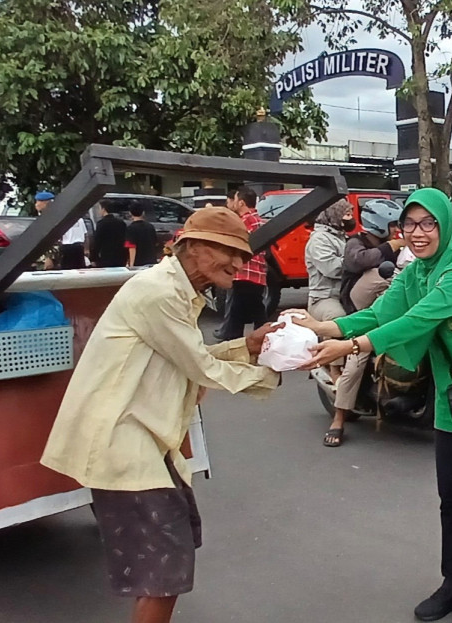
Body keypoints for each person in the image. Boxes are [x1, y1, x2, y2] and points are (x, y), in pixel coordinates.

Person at [293, 188, 452, 623]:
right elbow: (383, 312)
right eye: (410, 224)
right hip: (449, 398)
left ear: (445, 224)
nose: (418, 234)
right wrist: (324, 325)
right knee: (450, 500)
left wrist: (351, 345)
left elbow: (418, 320)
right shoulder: (415, 272)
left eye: (428, 223)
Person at [41, 207, 284, 623]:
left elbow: (186, 357)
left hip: (143, 442)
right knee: (165, 569)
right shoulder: (158, 292)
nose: (240, 264)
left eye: (242, 254)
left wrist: (249, 346)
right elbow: (200, 367)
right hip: (122, 442)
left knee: (168, 562)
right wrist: (276, 370)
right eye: (229, 251)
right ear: (192, 248)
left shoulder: (176, 291)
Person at [323, 198, 405, 447]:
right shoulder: (356, 242)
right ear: (378, 223)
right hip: (356, 303)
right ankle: (338, 419)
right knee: (357, 358)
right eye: (392, 224)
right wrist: (391, 246)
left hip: (384, 304)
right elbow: (357, 261)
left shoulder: (401, 245)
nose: (396, 229)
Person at [215, 188, 268, 341]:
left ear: (242, 202)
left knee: (236, 311)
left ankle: (233, 339)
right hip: (257, 272)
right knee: (256, 309)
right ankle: (264, 336)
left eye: (235, 200)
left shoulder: (243, 221)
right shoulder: (259, 220)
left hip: (243, 271)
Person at [305, 199, 353, 321]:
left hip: (345, 295)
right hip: (324, 298)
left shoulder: (341, 237)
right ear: (335, 215)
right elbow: (331, 268)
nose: (351, 219)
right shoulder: (319, 239)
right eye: (347, 215)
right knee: (338, 319)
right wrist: (356, 261)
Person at [34, 190, 87, 270]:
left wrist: (49, 258)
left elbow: (52, 240)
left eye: (39, 201)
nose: (36, 204)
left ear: (47, 203)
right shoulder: (45, 217)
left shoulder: (54, 218)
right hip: (56, 256)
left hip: (57, 257)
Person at [89, 202, 129, 268]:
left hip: (106, 257)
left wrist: (93, 258)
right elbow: (125, 240)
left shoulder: (101, 224)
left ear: (103, 209)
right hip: (121, 257)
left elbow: (97, 242)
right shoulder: (121, 223)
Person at [125, 200, 159, 268]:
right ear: (143, 213)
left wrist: (131, 264)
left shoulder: (131, 228)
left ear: (130, 213)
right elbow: (155, 243)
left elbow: (132, 247)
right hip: (151, 262)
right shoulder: (150, 226)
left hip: (139, 263)